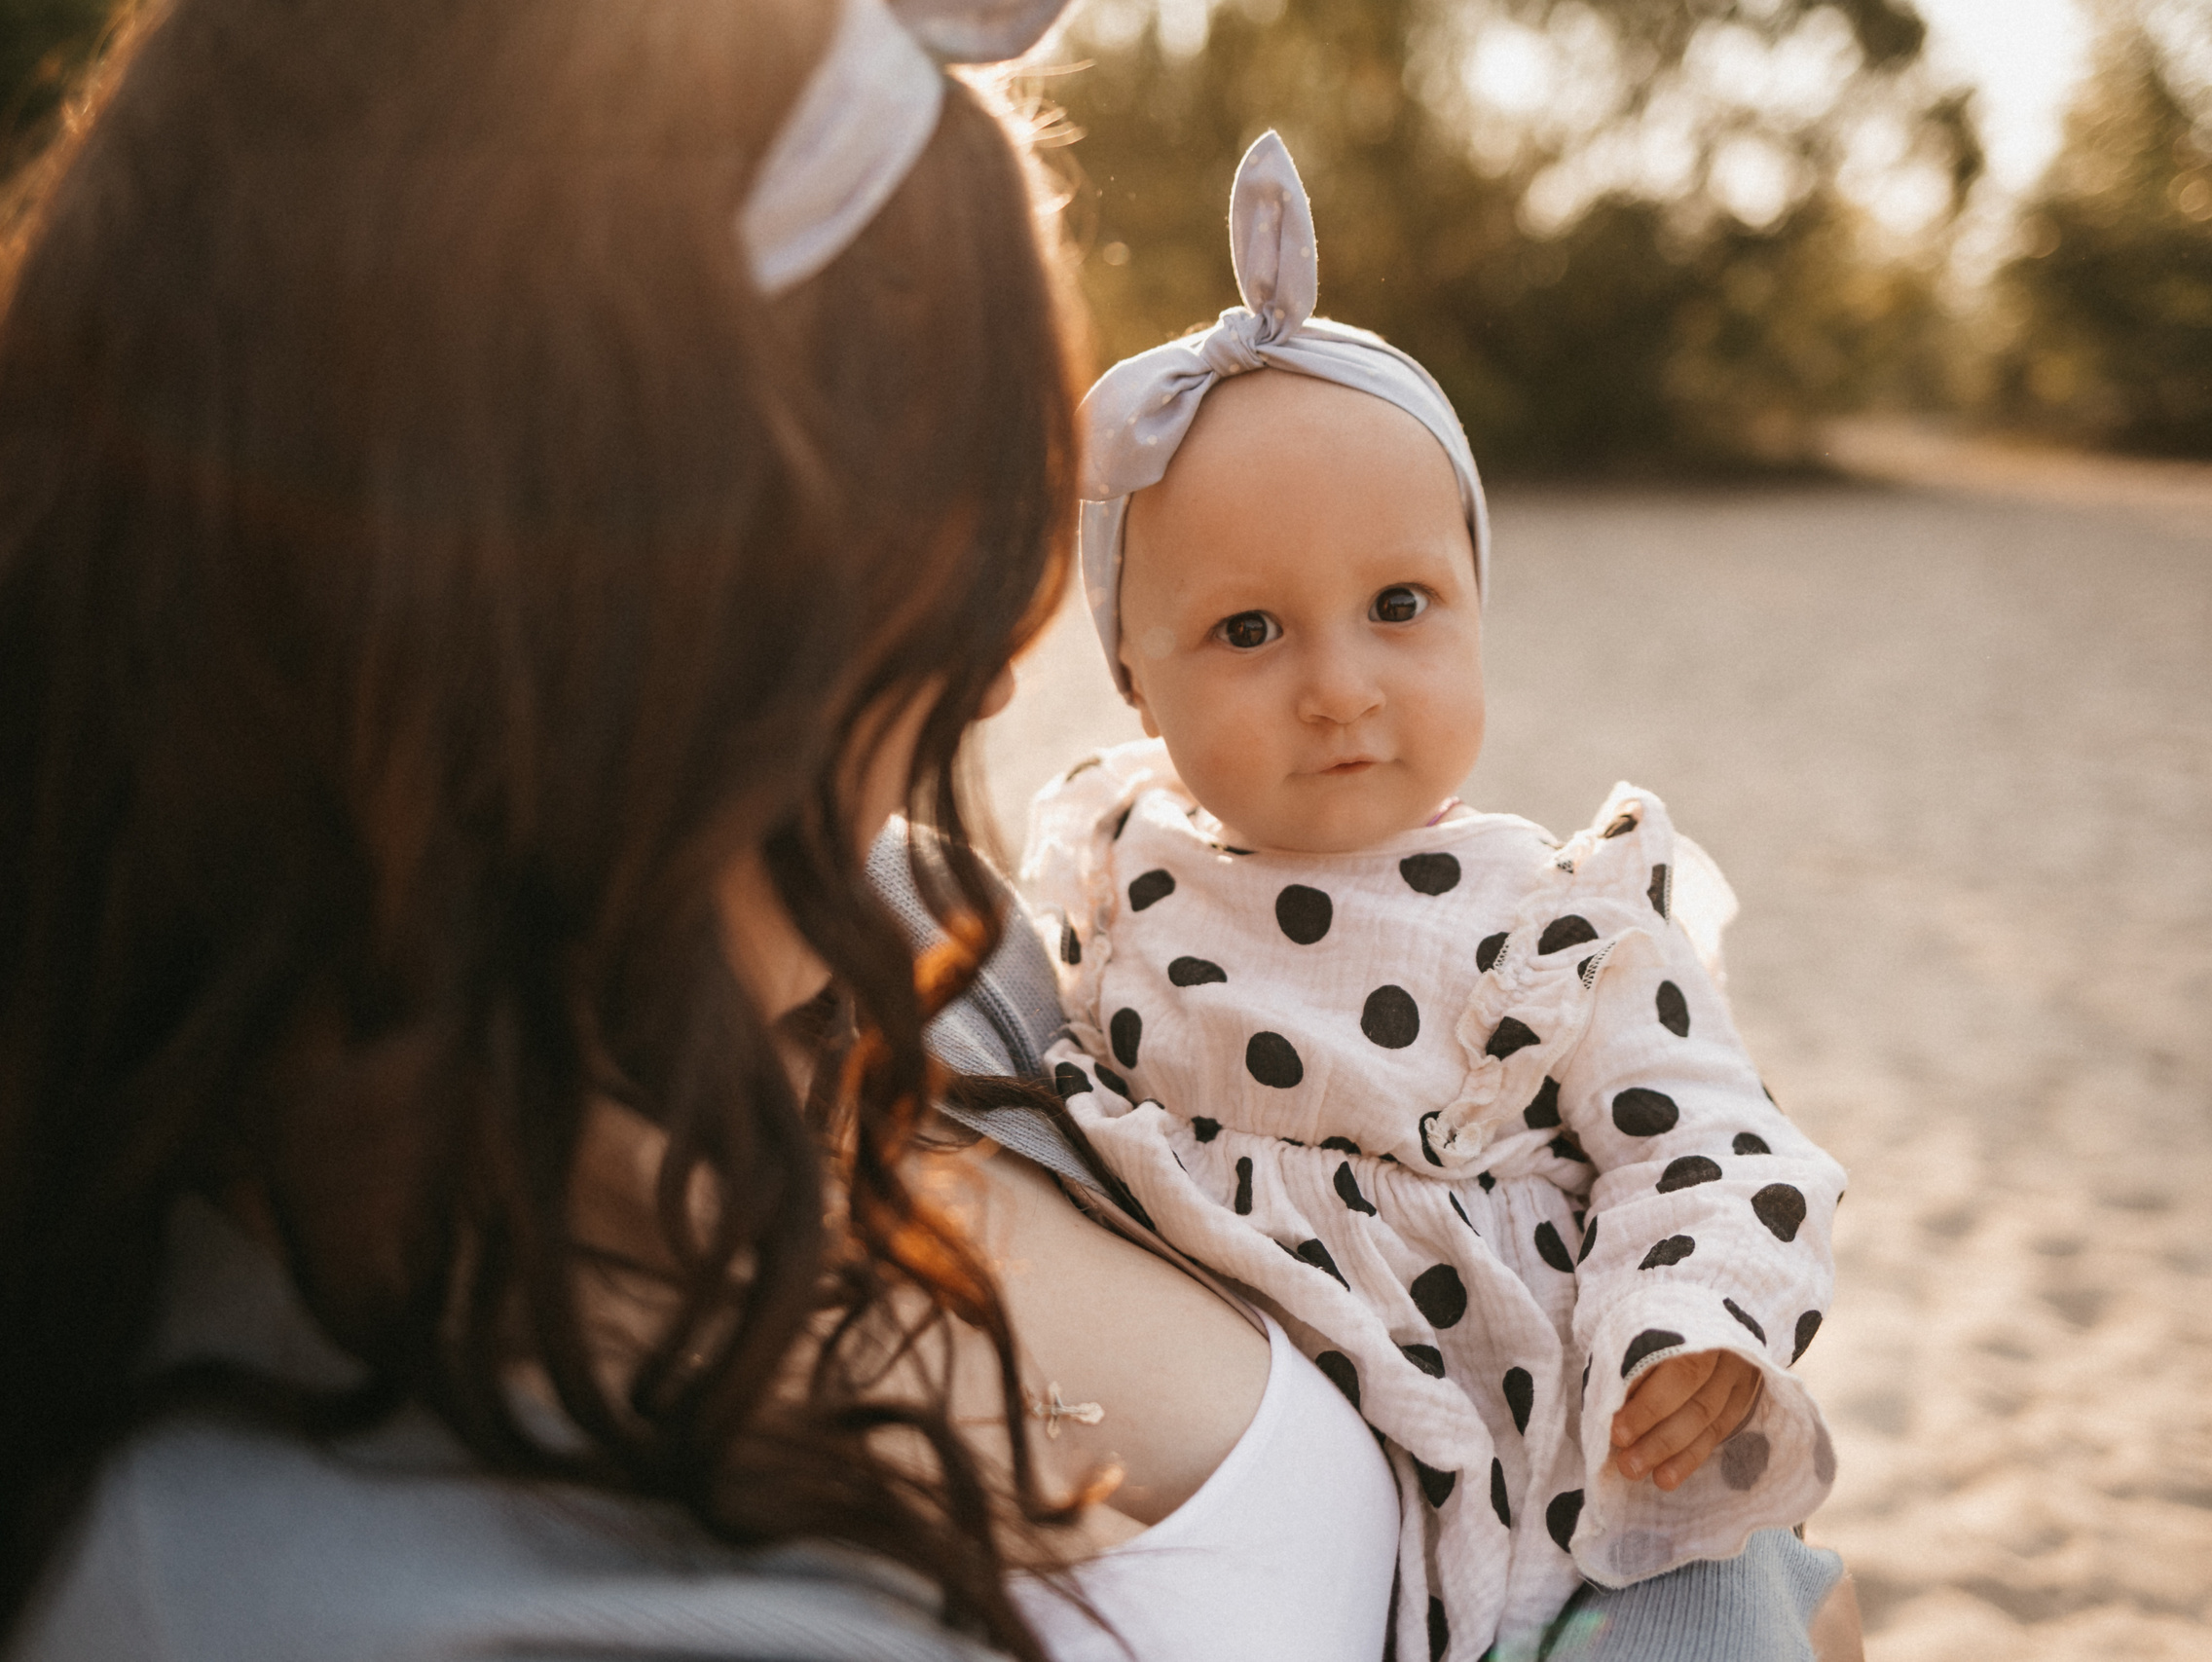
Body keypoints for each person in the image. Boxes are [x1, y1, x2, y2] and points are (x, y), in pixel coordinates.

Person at [0, 0, 1859, 1656]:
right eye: (939, 564)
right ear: (569, 600)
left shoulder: (930, 960)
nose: (977, 680)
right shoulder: (329, 1579)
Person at [1019, 132, 1851, 1662]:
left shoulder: (1564, 921)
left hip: (1566, 1486)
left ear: (1477, 608)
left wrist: (1689, 1331)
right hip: (1287, 1499)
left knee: (1722, 1616)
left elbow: (1720, 1144)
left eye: (1399, 608)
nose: (1339, 688)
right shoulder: (1110, 873)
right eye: (1249, 629)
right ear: (1134, 678)